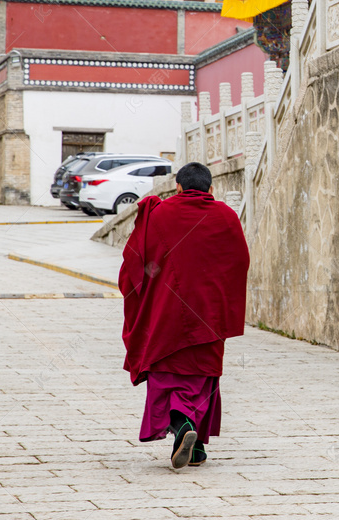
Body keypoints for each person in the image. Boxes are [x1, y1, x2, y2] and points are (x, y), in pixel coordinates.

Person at [119, 162, 249, 469]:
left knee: (168, 374)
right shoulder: (227, 217)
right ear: (211, 190)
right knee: (202, 377)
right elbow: (240, 262)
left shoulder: (160, 215)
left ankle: (182, 427)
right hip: (210, 316)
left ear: (177, 187)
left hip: (168, 313)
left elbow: (134, 264)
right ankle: (198, 448)